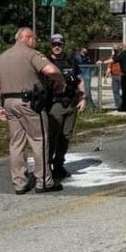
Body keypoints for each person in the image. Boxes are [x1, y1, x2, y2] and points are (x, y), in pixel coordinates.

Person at [0, 27, 66, 194]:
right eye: (35, 39)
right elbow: (51, 70)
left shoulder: (0, 58)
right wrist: (60, 81)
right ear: (28, 38)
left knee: (16, 143)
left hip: (9, 102)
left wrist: (0, 106)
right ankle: (44, 181)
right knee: (39, 139)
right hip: (29, 103)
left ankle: (19, 183)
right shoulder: (31, 54)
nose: (36, 42)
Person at [46, 34, 86, 181]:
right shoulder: (46, 61)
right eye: (54, 44)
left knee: (66, 136)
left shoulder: (71, 61)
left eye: (60, 44)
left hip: (70, 103)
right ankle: (46, 166)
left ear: (64, 45)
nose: (57, 47)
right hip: (54, 104)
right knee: (52, 137)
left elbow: (80, 80)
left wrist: (83, 98)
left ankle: (58, 165)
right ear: (50, 45)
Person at [101, 45, 123, 110]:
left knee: (124, 91)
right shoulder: (112, 57)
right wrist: (105, 77)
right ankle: (118, 104)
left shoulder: (122, 56)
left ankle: (123, 103)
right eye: (114, 50)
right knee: (115, 90)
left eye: (116, 49)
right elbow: (109, 68)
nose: (115, 51)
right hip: (114, 76)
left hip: (122, 75)